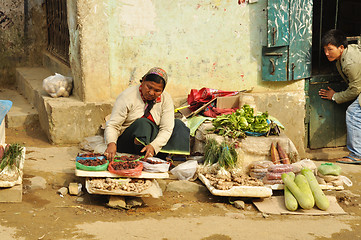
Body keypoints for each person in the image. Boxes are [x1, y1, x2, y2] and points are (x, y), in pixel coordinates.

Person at [104, 67, 190, 161]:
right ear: (143, 81)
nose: (151, 93)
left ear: (162, 90)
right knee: (143, 123)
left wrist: (154, 146)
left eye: (157, 91)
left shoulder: (166, 99)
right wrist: (111, 143)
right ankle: (141, 157)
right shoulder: (127, 96)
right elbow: (113, 125)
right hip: (129, 142)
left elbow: (166, 129)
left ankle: (176, 160)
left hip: (152, 143)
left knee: (178, 124)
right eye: (149, 87)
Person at [318, 29, 361, 163]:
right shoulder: (345, 55)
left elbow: (356, 89)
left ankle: (356, 155)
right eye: (325, 49)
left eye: (330, 49)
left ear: (341, 47)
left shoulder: (350, 63)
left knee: (354, 113)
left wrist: (335, 96)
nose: (326, 53)